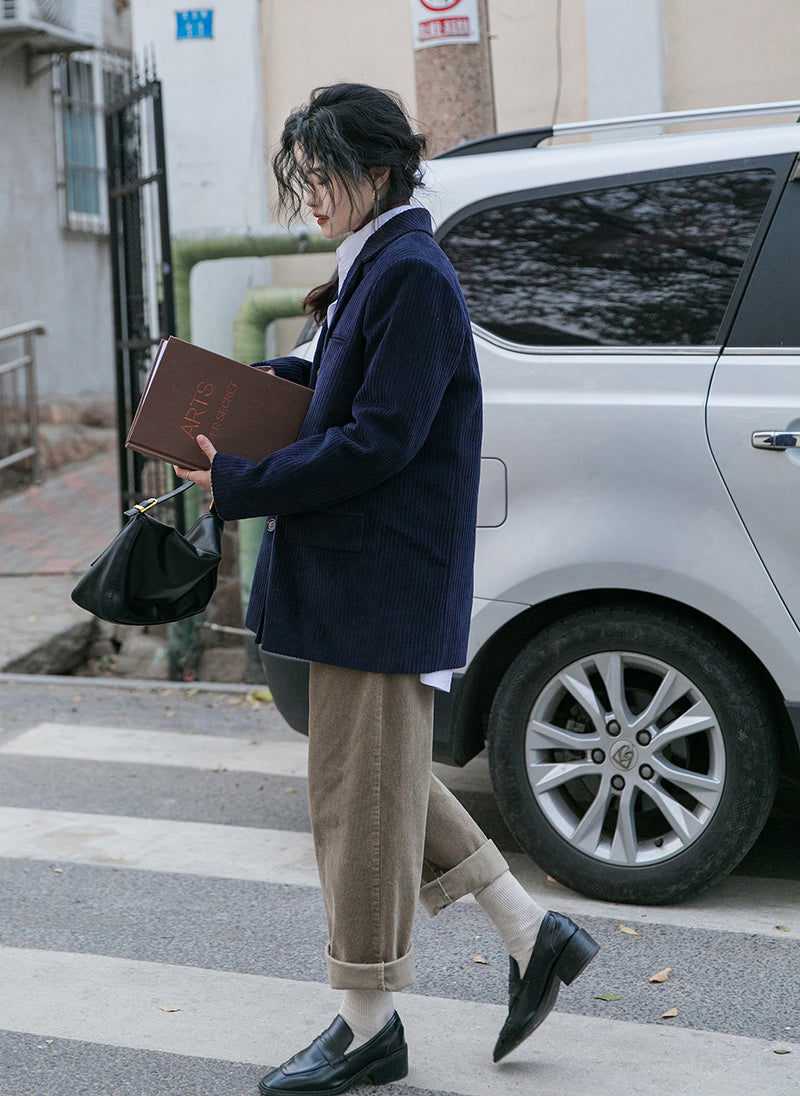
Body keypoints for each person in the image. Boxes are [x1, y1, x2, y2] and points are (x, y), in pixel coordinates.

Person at [175, 83, 598, 1095]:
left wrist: (241, 482)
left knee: (355, 803)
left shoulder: (410, 273)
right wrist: (245, 394)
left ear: (376, 171)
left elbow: (377, 440)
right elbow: (340, 393)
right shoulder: (375, 265)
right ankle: (530, 931)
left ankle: (366, 1024)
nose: (310, 196)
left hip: (379, 585)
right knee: (377, 778)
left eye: (323, 175)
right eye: (301, 177)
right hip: (355, 581)